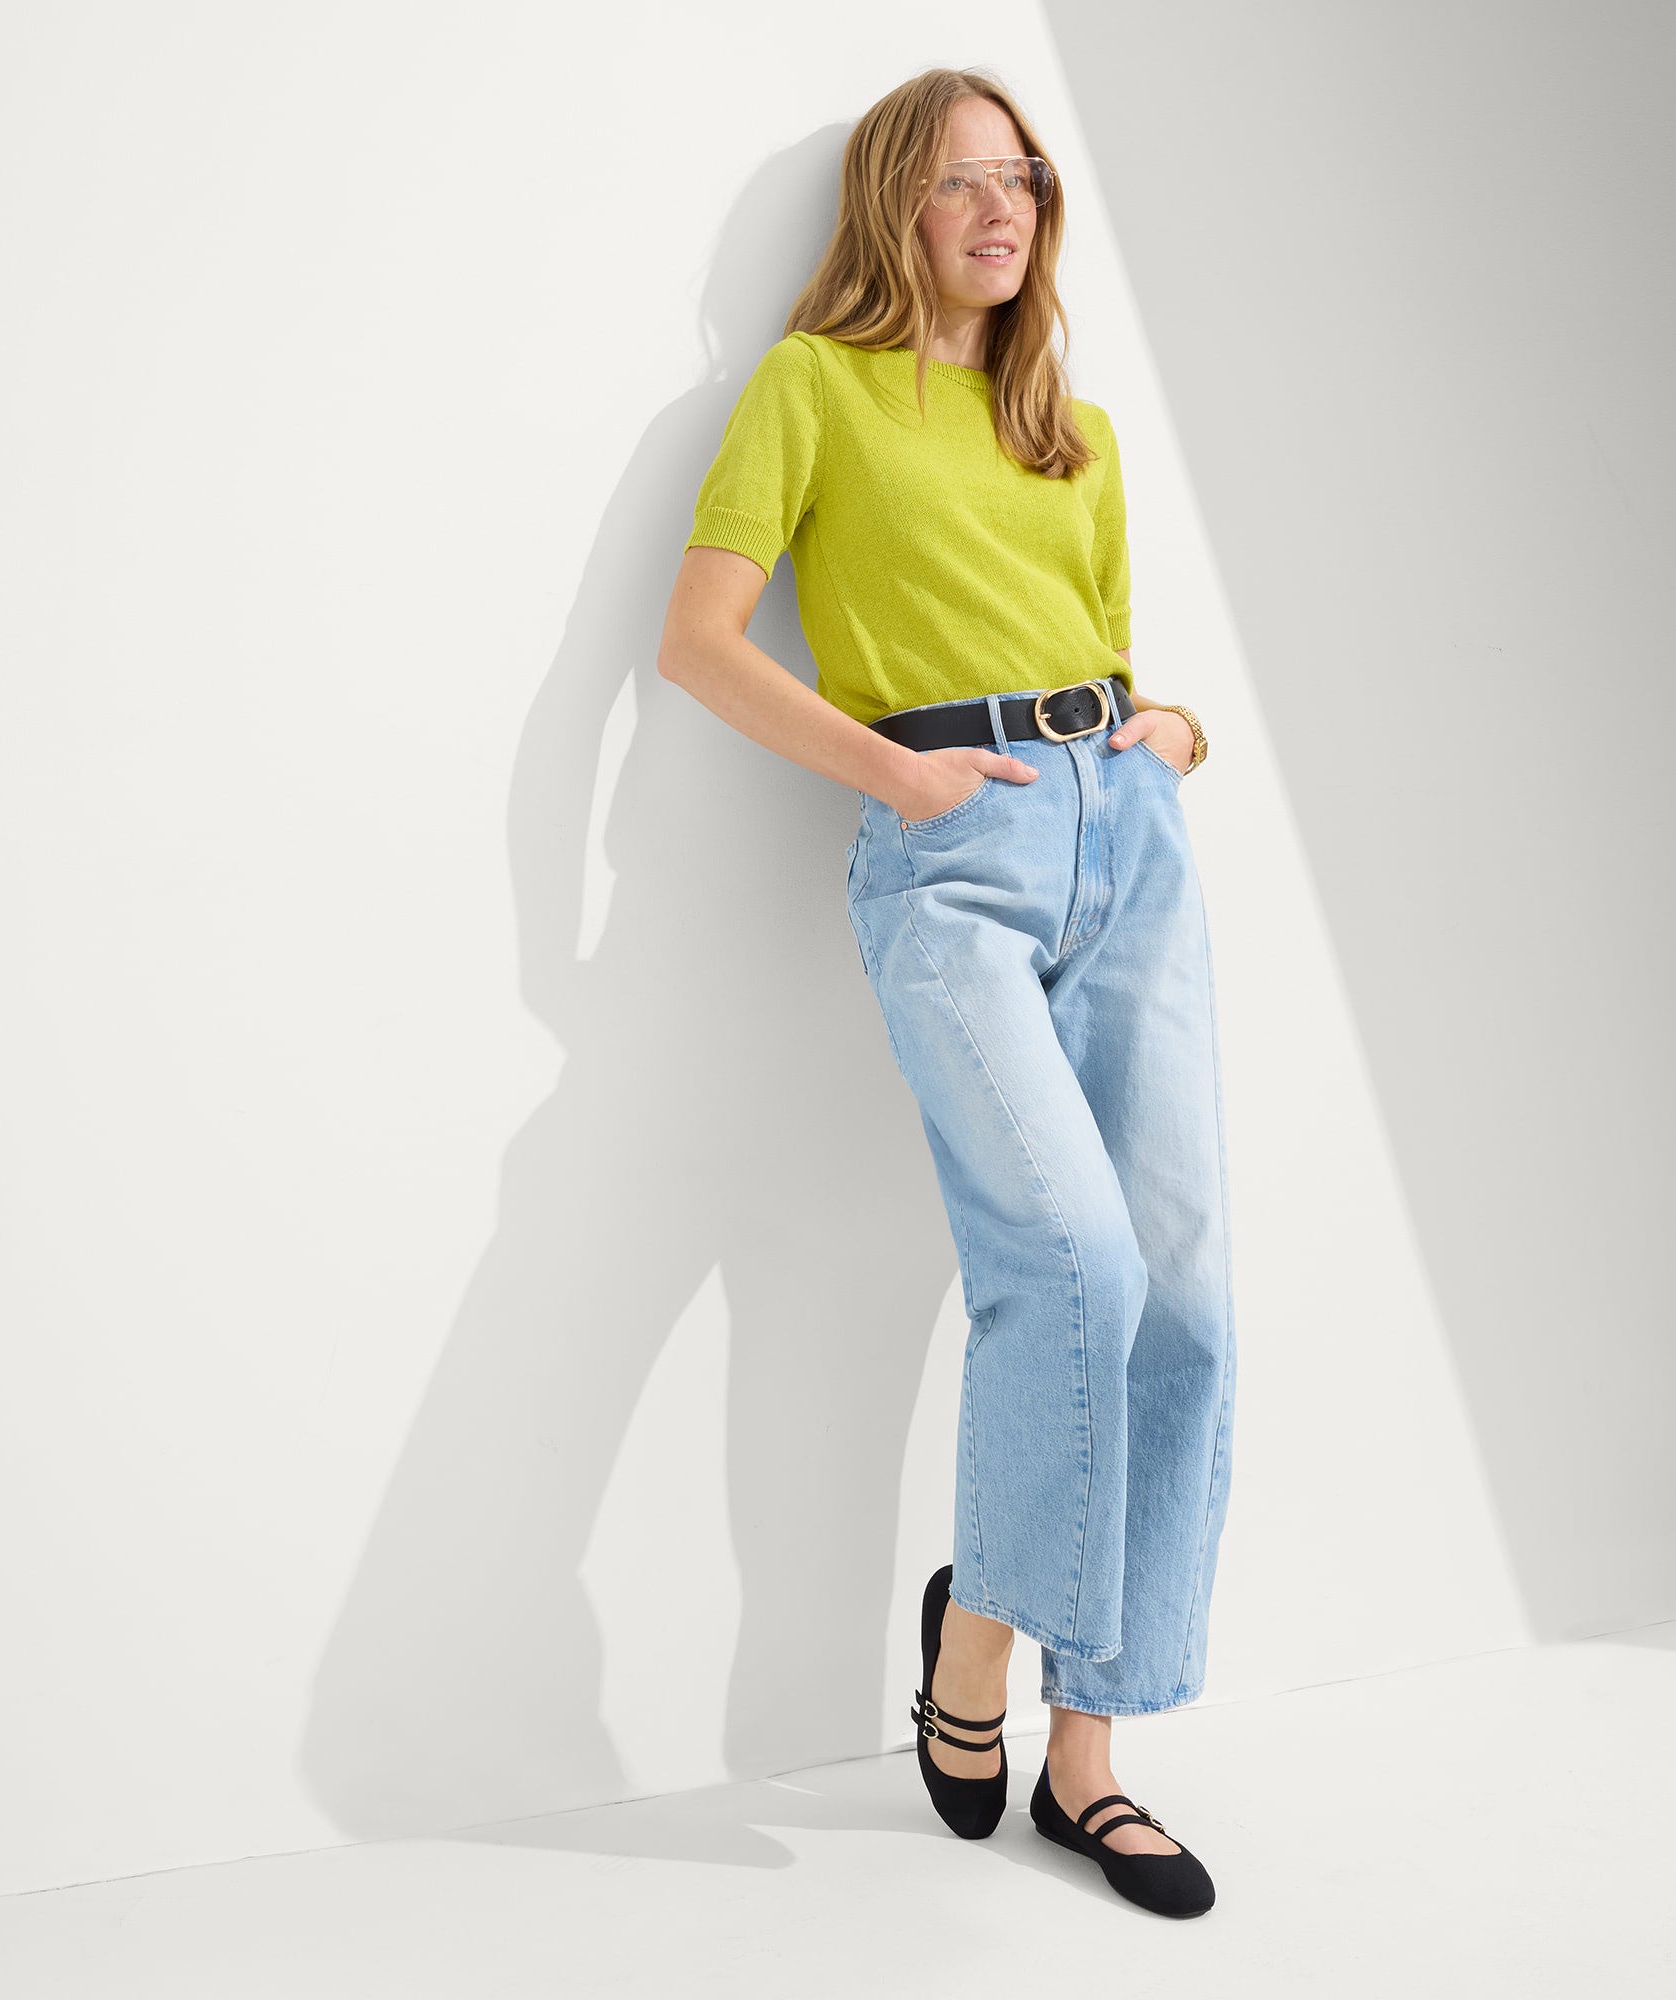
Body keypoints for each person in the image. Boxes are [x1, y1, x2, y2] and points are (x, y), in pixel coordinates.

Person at [657, 65, 1235, 1920]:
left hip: (1128, 838)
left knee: (1185, 1306)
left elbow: (1103, 651)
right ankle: (977, 1642)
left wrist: (1172, 732)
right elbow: (699, 642)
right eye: (964, 181)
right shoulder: (812, 389)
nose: (1004, 209)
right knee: (1075, 1265)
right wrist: (897, 778)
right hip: (954, 852)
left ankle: (1090, 1757)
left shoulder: (1074, 430)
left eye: (1026, 179)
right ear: (896, 204)